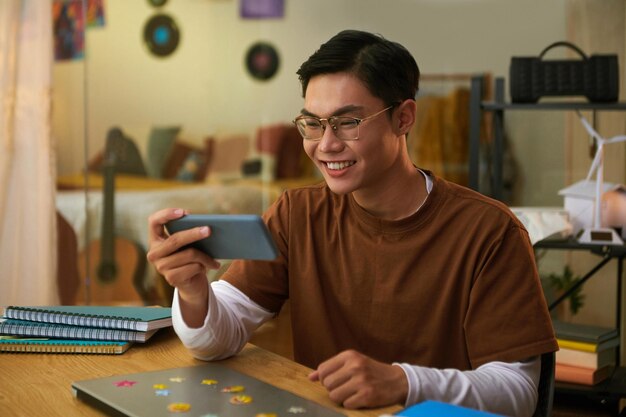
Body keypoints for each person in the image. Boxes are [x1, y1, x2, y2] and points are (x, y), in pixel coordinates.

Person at [147, 29, 557, 416]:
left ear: (404, 118)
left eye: (348, 122)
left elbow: (518, 394)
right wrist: (195, 292)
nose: (326, 145)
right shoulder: (297, 213)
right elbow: (216, 341)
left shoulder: (489, 231)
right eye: (313, 123)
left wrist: (405, 382)